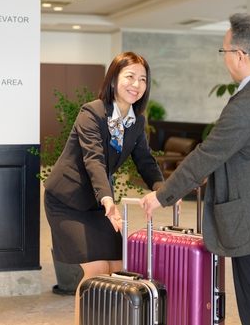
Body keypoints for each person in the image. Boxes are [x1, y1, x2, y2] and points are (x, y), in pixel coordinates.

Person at [139, 13, 250, 325]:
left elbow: (208, 153)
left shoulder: (248, 102)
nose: (224, 58)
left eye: (224, 51)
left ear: (240, 56)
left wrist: (163, 195)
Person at [43, 52, 164, 323]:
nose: (136, 84)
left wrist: (165, 191)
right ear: (113, 79)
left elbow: (145, 161)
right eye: (129, 76)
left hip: (99, 202)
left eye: (142, 79)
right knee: (96, 272)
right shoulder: (93, 112)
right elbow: (94, 159)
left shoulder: (136, 121)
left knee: (120, 269)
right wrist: (108, 200)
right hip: (67, 201)